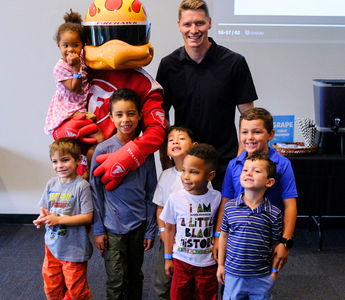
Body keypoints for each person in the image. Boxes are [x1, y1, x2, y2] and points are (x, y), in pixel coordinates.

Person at [53, 0, 166, 192]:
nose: (115, 44)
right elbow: (62, 105)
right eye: (105, 35)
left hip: (123, 171)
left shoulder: (146, 84)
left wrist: (129, 155)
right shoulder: (82, 71)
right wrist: (62, 130)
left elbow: (156, 131)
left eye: (124, 35)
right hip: (76, 171)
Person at [156, 0, 257, 190]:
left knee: (225, 220)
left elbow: (248, 118)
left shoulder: (235, 63)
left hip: (225, 164)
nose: (194, 30)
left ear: (209, 23)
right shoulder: (168, 65)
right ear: (179, 26)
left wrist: (241, 160)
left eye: (199, 23)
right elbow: (161, 117)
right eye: (187, 24)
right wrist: (164, 159)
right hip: (184, 166)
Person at [90, 88, 157, 300]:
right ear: (111, 117)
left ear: (139, 116)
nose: (125, 119)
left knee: (135, 275)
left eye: (131, 113)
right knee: (117, 280)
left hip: (138, 224)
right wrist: (99, 229)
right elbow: (96, 192)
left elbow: (151, 192)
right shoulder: (103, 150)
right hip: (112, 227)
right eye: (119, 114)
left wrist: (150, 230)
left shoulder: (145, 152)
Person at [214, 107, 298, 271]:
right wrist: (218, 236)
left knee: (262, 284)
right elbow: (225, 203)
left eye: (257, 132)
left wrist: (285, 242)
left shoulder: (283, 165)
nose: (249, 137)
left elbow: (290, 205)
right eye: (244, 132)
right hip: (236, 239)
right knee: (230, 285)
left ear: (270, 135)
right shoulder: (234, 165)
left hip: (265, 240)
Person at [154, 126, 212, 299]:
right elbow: (160, 207)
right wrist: (162, 231)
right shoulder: (165, 175)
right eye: (171, 140)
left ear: (193, 145)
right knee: (163, 281)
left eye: (181, 138)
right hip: (169, 237)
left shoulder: (202, 178)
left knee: (193, 284)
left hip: (192, 241)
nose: (175, 142)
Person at [44, 9, 105, 172]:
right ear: (58, 46)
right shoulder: (61, 67)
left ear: (82, 45)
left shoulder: (82, 58)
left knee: (88, 145)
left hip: (80, 109)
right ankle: (91, 173)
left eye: (75, 45)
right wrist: (76, 67)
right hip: (70, 112)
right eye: (65, 45)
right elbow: (75, 88)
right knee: (100, 138)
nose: (70, 50)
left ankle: (88, 171)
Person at [33, 137, 93, 300]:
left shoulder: (82, 186)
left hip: (74, 249)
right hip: (52, 247)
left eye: (65, 160)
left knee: (76, 291)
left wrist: (58, 220)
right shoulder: (51, 184)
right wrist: (41, 219)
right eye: (55, 161)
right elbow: (45, 210)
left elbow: (88, 217)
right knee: (52, 288)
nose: (59, 166)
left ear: (78, 160)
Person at [217, 154, 283, 300]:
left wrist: (273, 274)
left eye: (257, 171)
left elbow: (275, 245)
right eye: (245, 170)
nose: (249, 173)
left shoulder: (274, 213)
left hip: (261, 276)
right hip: (233, 274)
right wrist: (221, 265)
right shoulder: (229, 207)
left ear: (269, 182)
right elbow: (224, 236)